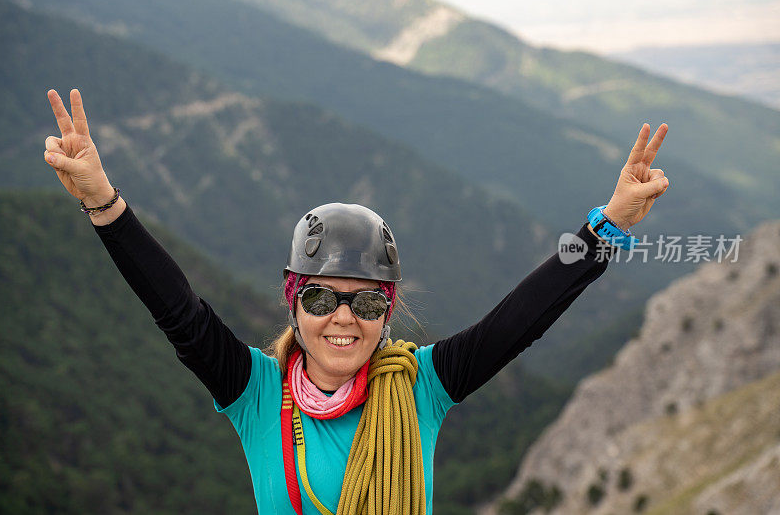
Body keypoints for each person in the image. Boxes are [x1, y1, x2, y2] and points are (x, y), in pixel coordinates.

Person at [44, 88, 670, 514]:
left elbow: (522, 318)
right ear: (294, 302)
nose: (343, 318)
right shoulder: (255, 392)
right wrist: (104, 204)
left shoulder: (422, 385)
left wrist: (606, 224)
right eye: (321, 298)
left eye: (367, 305)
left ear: (388, 312)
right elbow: (177, 310)